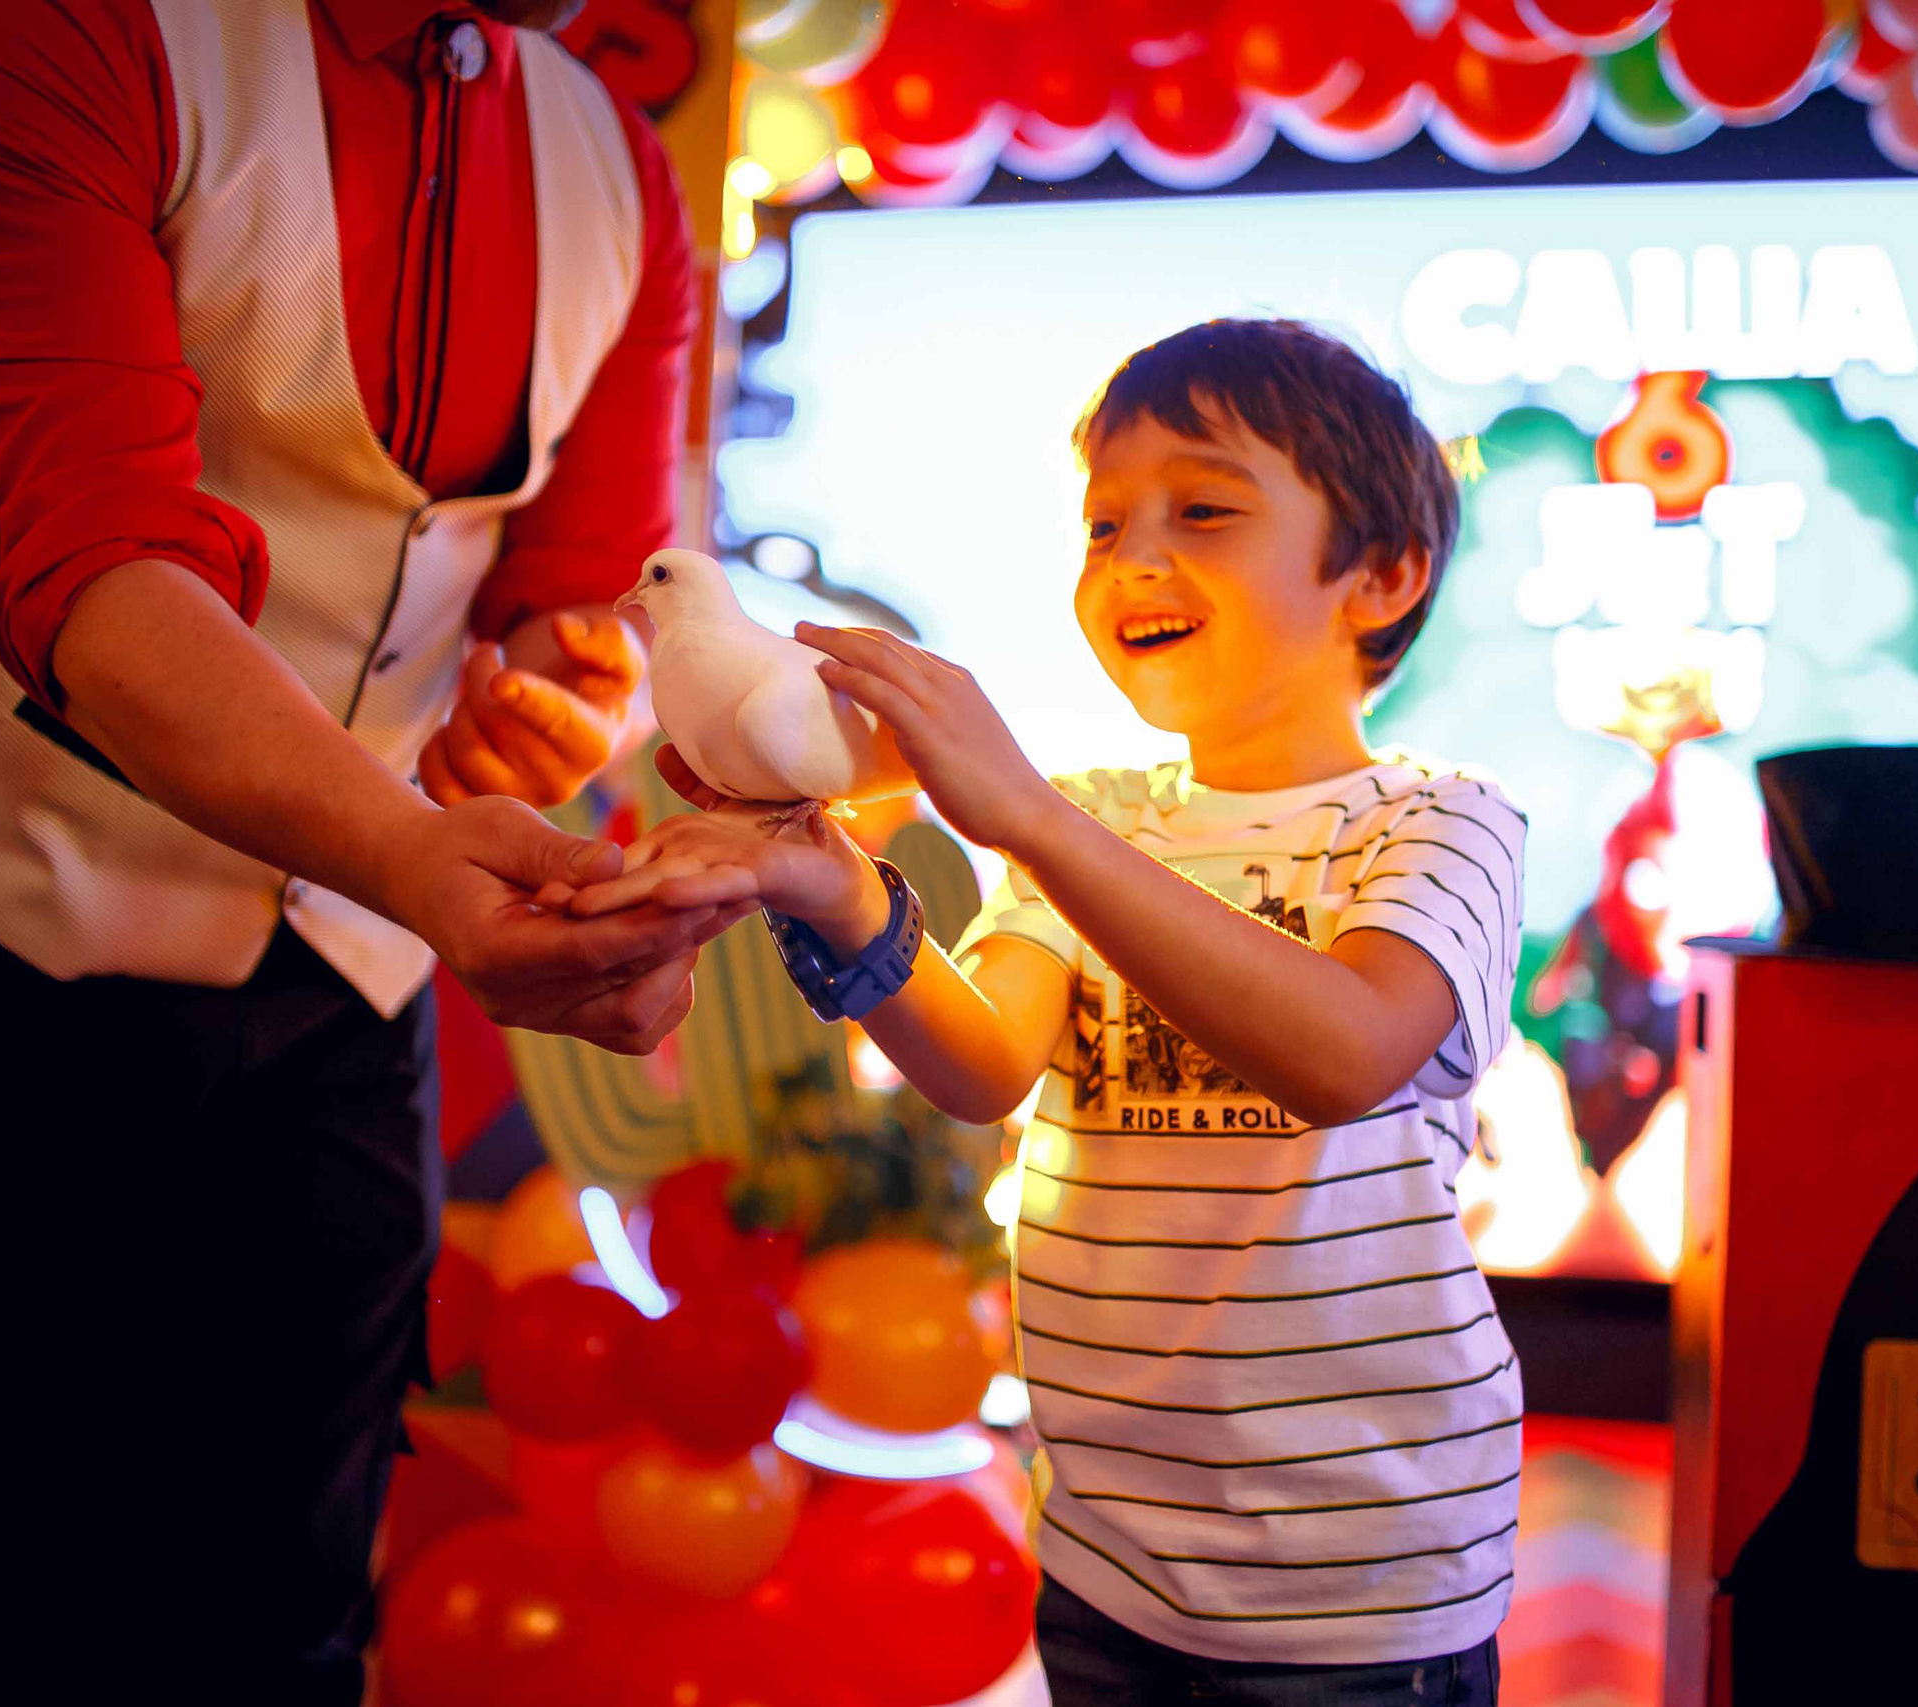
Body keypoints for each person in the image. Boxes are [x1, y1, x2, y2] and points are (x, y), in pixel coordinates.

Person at [0, 1, 742, 1701]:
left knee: (287, 1613)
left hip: (342, 984)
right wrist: (427, 860)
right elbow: (98, 568)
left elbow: (580, 589)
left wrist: (557, 702)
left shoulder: (623, 175)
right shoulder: (62, 30)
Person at [588, 318, 1526, 1704]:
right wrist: (835, 888)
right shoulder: (1097, 819)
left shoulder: (1440, 823)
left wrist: (1020, 813)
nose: (1134, 556)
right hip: (1108, 1553)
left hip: (1361, 1581)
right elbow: (984, 1062)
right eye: (1102, 524)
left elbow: (1347, 1052)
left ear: (1381, 576)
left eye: (1202, 509)